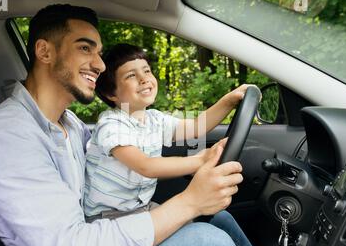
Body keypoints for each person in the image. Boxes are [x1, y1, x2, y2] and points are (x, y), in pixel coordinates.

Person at [0, 4, 278, 246]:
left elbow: (184, 130)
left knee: (218, 218)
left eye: (98, 52)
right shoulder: (7, 138)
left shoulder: (67, 124)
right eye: (85, 49)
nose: (99, 64)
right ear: (45, 52)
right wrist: (190, 202)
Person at [83, 43, 247, 222]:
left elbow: (196, 126)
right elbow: (147, 166)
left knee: (222, 219)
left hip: (140, 209)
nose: (143, 79)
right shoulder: (111, 125)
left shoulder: (154, 119)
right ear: (111, 93)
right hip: (108, 219)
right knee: (210, 234)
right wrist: (200, 160)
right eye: (131, 75)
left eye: (146, 71)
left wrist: (230, 101)